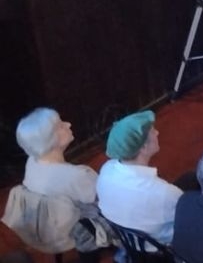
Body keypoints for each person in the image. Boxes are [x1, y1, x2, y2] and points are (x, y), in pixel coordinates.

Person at [2, 109, 101, 262]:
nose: (69, 124)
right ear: (49, 140)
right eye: (60, 126)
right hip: (77, 230)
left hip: (49, 228)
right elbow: (104, 200)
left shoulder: (32, 161)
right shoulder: (77, 175)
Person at [96, 111, 182, 244]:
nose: (157, 133)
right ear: (143, 147)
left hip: (129, 242)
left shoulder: (106, 169)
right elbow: (188, 218)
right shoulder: (164, 192)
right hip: (163, 246)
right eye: (152, 131)